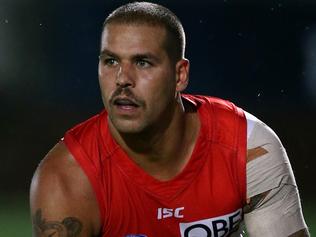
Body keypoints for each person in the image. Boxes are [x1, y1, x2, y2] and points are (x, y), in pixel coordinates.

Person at [30, 2, 309, 237]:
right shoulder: (67, 178)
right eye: (111, 61)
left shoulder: (247, 147)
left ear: (180, 75)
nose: (122, 79)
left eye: (142, 62)